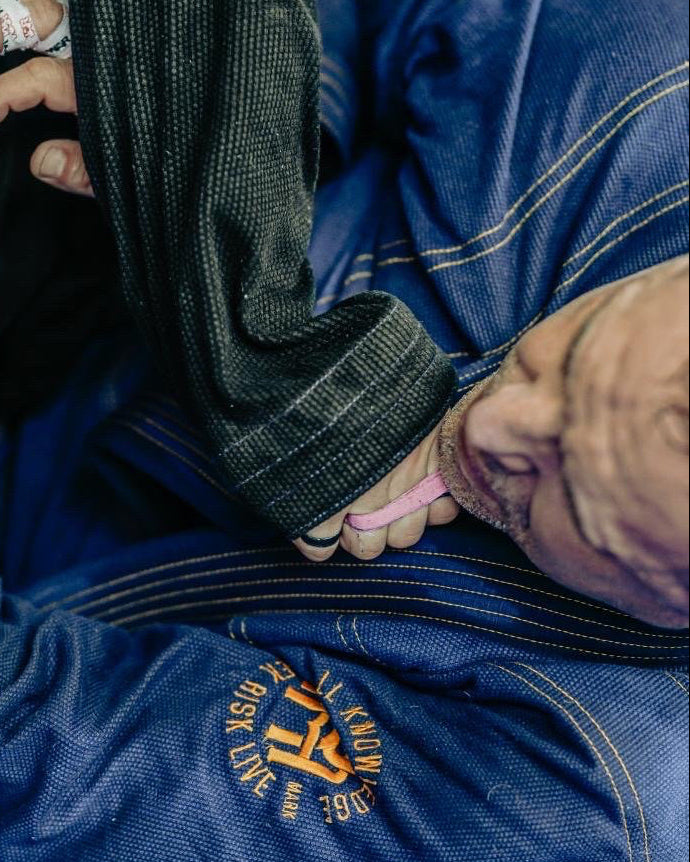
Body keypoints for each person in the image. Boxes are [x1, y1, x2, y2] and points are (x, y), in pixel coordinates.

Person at [0, 1, 688, 860]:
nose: (495, 421)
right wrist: (227, 150)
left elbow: (71, 764)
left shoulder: (572, 801)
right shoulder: (656, 81)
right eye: (571, 355)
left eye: (566, 493)